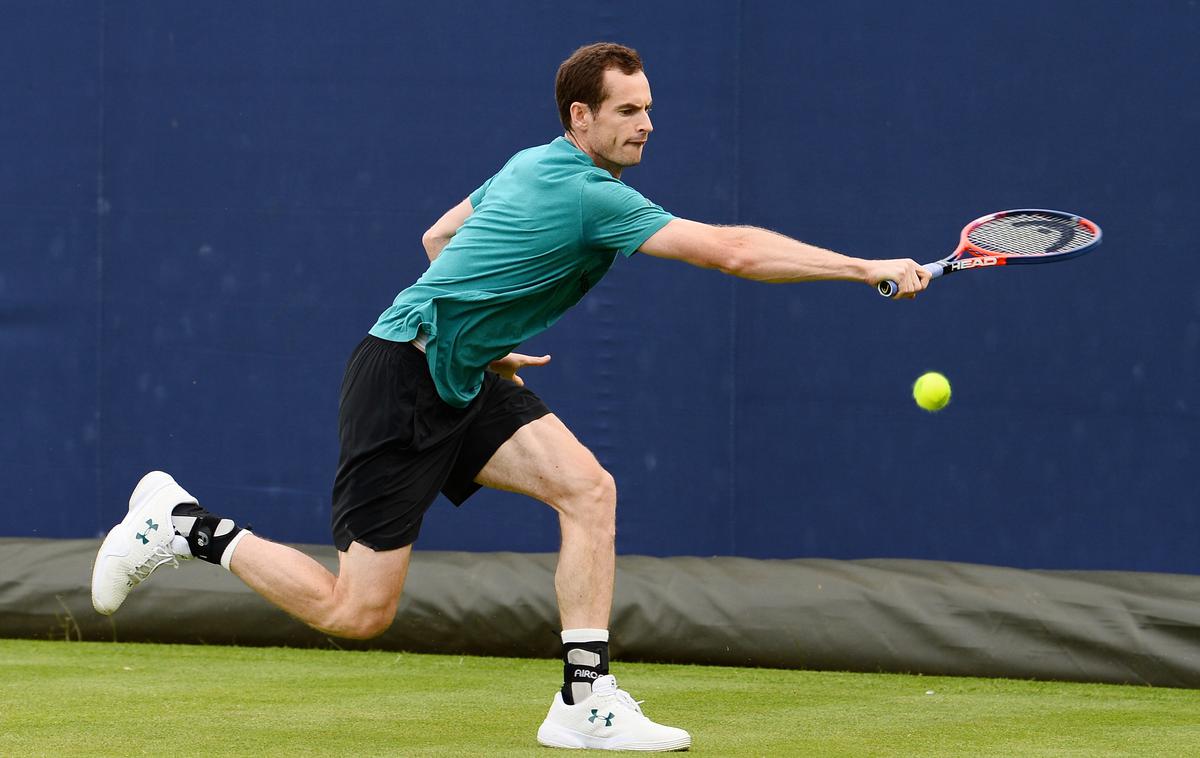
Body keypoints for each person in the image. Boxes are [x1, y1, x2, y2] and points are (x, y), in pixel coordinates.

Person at [91, 42, 929, 752]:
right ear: (581, 120)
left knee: (588, 488)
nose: (646, 123)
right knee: (357, 612)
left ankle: (583, 698)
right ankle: (182, 525)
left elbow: (438, 237)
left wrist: (477, 335)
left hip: (462, 371)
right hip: (402, 384)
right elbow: (733, 253)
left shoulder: (532, 162)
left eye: (648, 108)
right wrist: (865, 267)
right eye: (628, 111)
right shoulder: (591, 192)